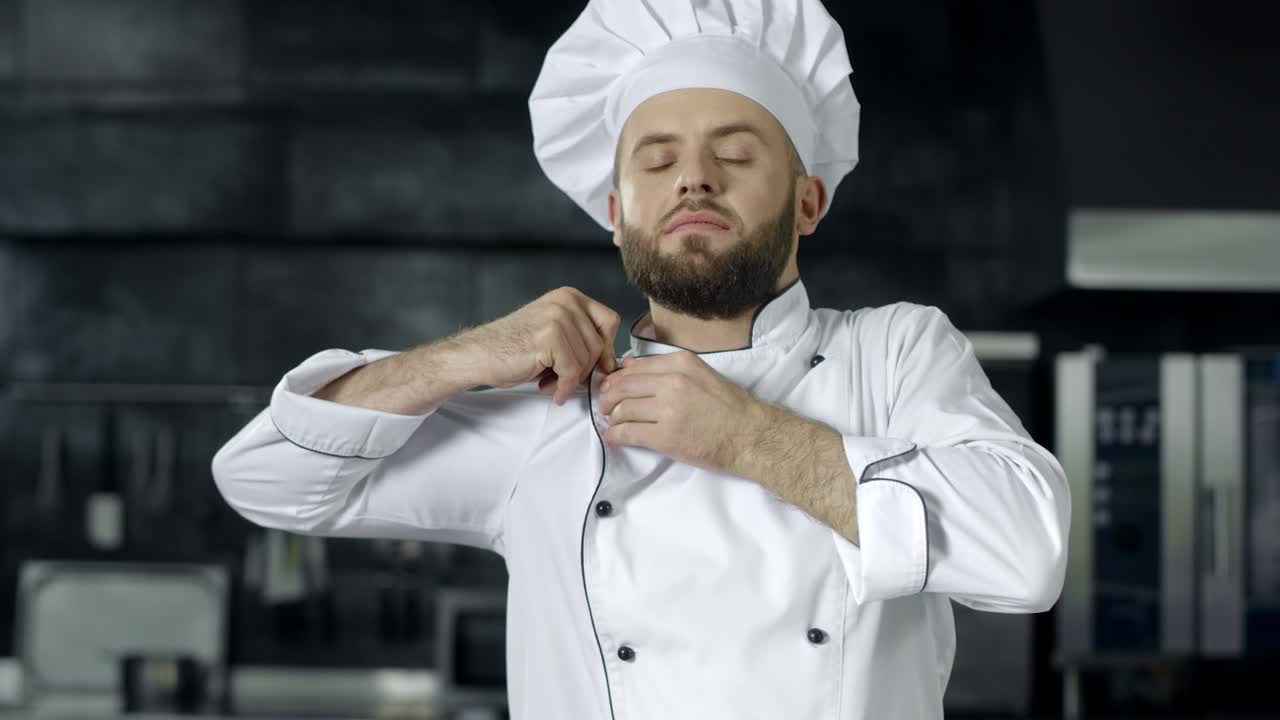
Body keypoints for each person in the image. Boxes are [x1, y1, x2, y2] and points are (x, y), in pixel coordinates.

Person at [211, 0, 1072, 717]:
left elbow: (1028, 554)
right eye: (659, 160)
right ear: (619, 213)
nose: (695, 178)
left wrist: (748, 438)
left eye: (736, 154)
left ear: (808, 201)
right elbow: (264, 479)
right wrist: (459, 359)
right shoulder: (557, 415)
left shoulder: (895, 352)